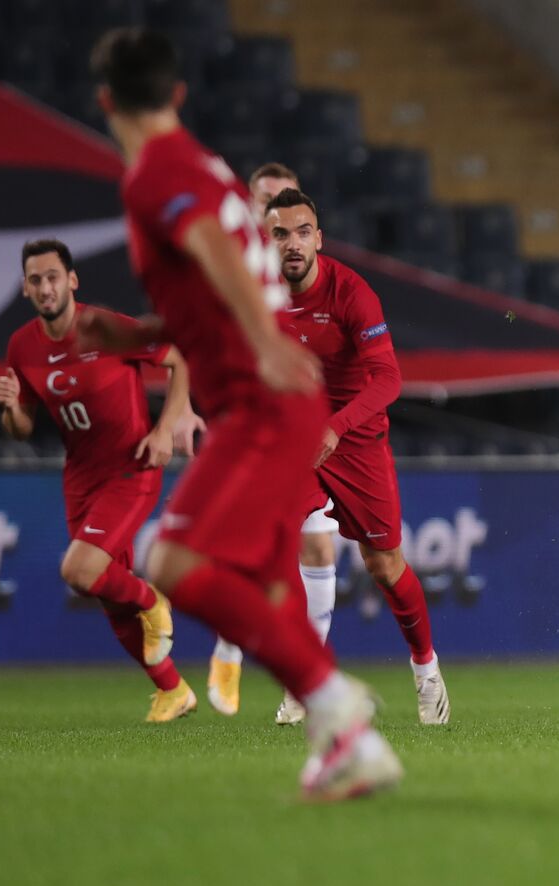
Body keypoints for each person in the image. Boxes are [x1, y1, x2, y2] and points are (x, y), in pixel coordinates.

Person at [88, 27, 401, 798]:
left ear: (105, 102)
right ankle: (350, 742)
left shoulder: (154, 173)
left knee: (171, 560)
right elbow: (210, 289)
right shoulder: (211, 171)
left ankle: (335, 699)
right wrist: (134, 335)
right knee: (263, 582)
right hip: (271, 402)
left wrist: (263, 340)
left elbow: (218, 257)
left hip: (266, 403)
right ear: (179, 95)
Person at [265, 187, 449, 725]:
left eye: (302, 233)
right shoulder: (256, 294)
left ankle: (426, 668)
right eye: (281, 234)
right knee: (289, 543)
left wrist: (336, 425)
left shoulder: (350, 292)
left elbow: (389, 377)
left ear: (318, 239)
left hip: (356, 436)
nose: (292, 244)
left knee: (384, 566)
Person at [0, 239, 198, 722]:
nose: (45, 287)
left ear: (72, 281)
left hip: (131, 466)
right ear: (25, 288)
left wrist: (165, 428)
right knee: (108, 595)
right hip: (80, 475)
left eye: (52, 277)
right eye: (36, 280)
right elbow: (22, 430)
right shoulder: (22, 346)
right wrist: (8, 409)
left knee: (79, 571)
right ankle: (172, 690)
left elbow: (178, 360)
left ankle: (153, 600)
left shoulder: (104, 327)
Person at [204, 161, 342, 720]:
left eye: (292, 224)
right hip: (252, 427)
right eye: (269, 216)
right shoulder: (236, 279)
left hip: (300, 430)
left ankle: (304, 684)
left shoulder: (316, 280)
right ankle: (231, 649)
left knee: (314, 544)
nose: (281, 231)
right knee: (235, 548)